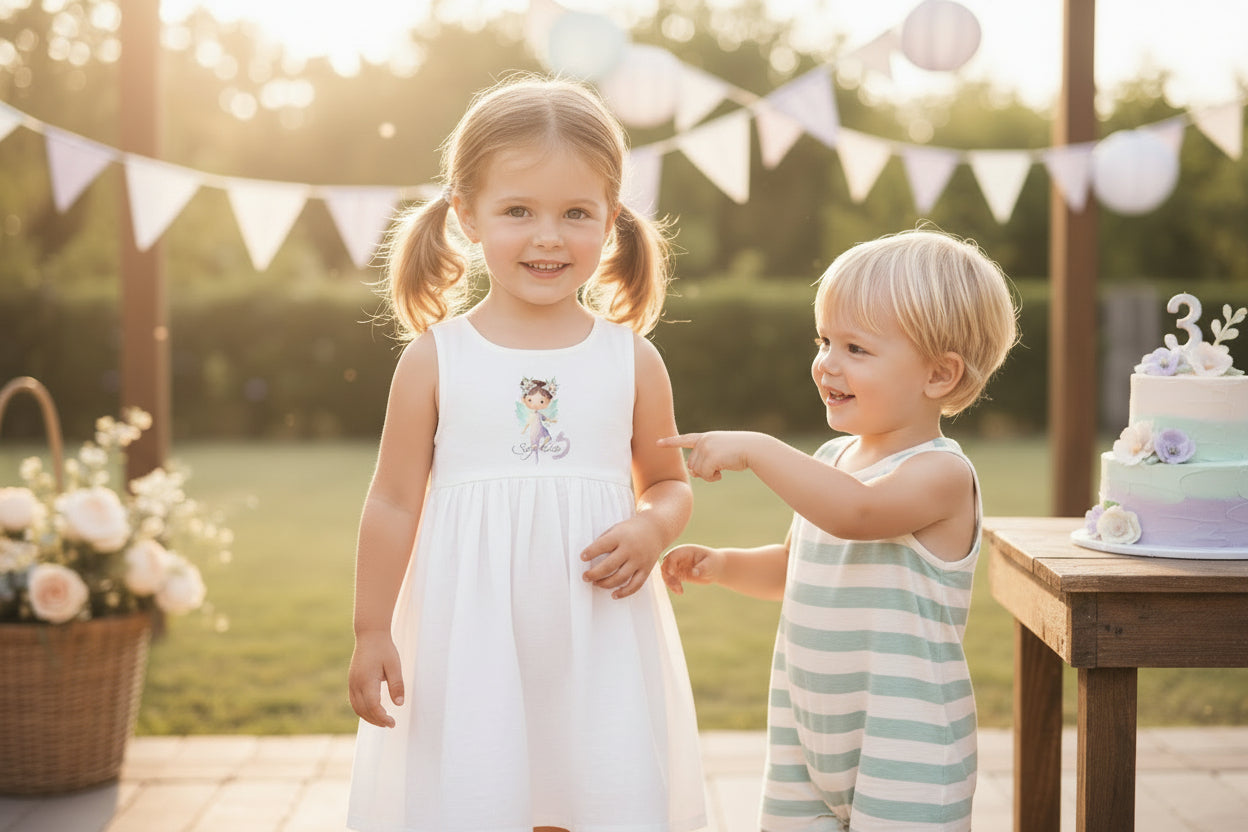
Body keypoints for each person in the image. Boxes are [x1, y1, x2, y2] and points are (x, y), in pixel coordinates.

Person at [346, 75, 706, 832]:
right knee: (485, 784)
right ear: (467, 218)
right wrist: (372, 629)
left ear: (610, 220)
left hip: (597, 627)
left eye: (576, 213)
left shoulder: (631, 360)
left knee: (594, 784)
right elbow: (392, 499)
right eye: (518, 211)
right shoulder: (435, 359)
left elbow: (668, 482)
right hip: (470, 628)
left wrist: (652, 527)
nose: (549, 237)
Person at [659, 228, 1018, 831]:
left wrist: (758, 447)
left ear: (939, 375)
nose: (827, 362)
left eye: (856, 348)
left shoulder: (941, 474)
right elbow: (793, 563)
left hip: (906, 745)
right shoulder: (831, 463)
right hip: (810, 735)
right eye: (824, 340)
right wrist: (723, 564)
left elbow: (856, 516)